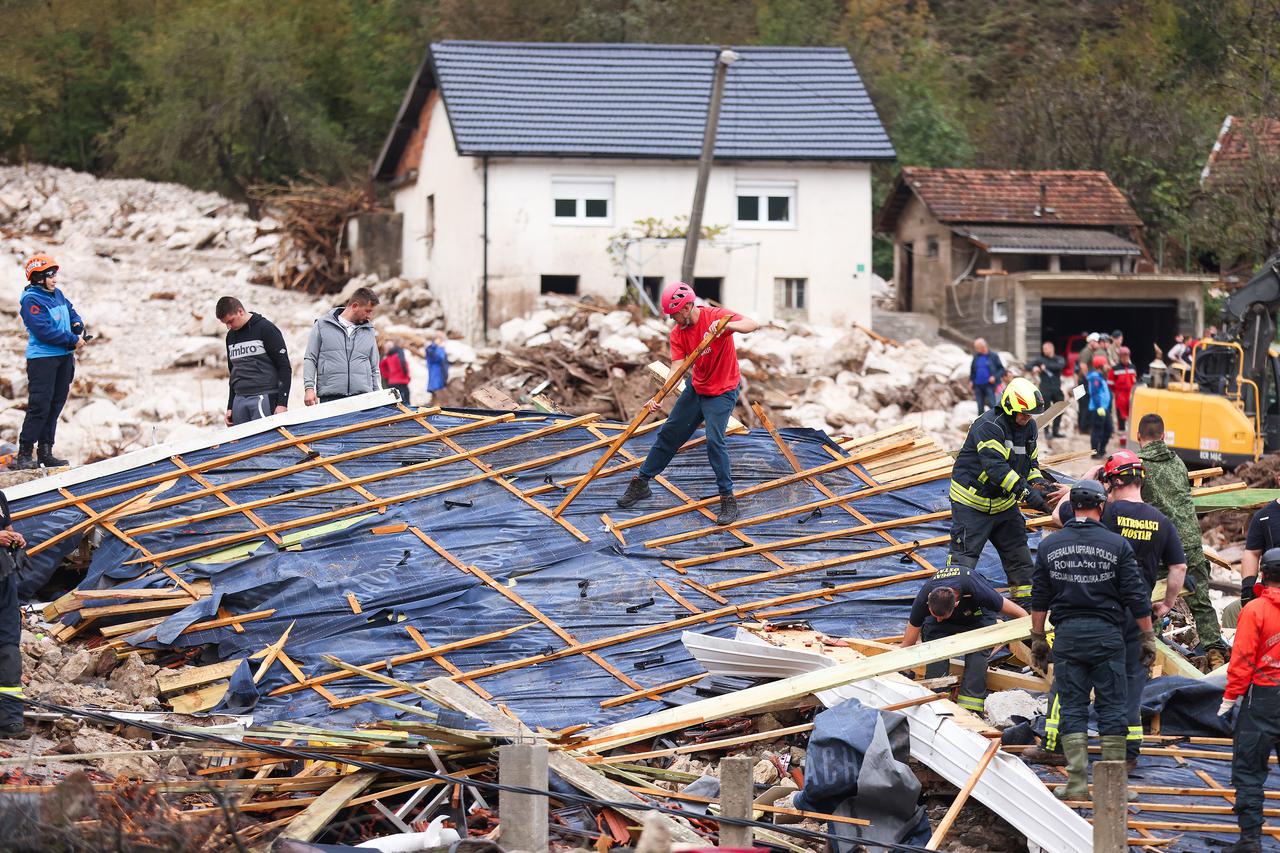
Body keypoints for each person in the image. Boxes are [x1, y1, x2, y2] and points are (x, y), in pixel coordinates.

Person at [1044, 450, 1187, 769]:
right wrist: (1165, 603)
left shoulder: (1103, 511)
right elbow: (1178, 567)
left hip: (1099, 609)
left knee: (1073, 675)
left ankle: (1057, 745)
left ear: (1113, 481)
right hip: (1139, 614)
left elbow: (1057, 517)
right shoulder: (1161, 521)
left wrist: (1087, 479)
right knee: (1132, 680)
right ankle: (1127, 753)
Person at [1029, 478, 1156, 800]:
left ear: (1072, 507)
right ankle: (1113, 786)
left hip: (1068, 637)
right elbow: (1136, 595)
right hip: (1107, 637)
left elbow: (1040, 597)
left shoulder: (1049, 546)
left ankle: (1075, 783)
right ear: (1102, 506)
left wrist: (1038, 638)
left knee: (1072, 707)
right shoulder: (1117, 545)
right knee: (1112, 706)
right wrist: (1147, 636)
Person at [616, 282, 758, 525]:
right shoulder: (678, 334)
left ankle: (727, 499)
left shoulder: (715, 316)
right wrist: (660, 395)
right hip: (697, 387)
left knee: (715, 440)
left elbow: (752, 324)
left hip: (723, 390)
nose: (673, 318)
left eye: (675, 313)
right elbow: (676, 368)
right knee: (669, 433)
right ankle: (642, 483)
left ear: (688, 306)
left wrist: (727, 327)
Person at [946, 376, 1054, 605]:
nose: (1027, 419)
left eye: (1030, 415)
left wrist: (1040, 486)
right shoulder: (989, 426)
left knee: (1020, 559)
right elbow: (996, 469)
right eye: (1024, 414)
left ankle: (1026, 608)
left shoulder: (1029, 427)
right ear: (1009, 407)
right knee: (962, 562)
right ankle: (951, 609)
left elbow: (1031, 465)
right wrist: (1026, 493)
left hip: (1004, 505)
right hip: (972, 505)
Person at [1137, 413, 1229, 669]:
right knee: (1200, 600)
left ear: (1138, 437)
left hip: (1159, 545)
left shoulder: (1139, 466)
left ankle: (1151, 657)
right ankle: (1215, 653)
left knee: (1152, 599)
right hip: (1189, 542)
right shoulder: (1177, 462)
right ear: (1163, 436)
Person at [901, 563, 1027, 714]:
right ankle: (937, 702)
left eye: (941, 617)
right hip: (945, 613)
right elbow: (907, 643)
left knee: (977, 655)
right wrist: (903, 670)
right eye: (935, 615)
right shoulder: (924, 597)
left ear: (956, 602)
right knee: (934, 649)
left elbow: (1021, 614)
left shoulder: (977, 588)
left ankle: (970, 708)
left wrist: (1033, 637)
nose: (938, 620)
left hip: (977, 616)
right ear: (929, 600)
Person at [1218, 547, 1280, 853]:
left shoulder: (1255, 610)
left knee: (1249, 770)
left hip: (1263, 698)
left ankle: (1250, 840)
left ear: (1263, 575)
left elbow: (1241, 660)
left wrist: (1231, 697)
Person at [14, 254, 84, 470]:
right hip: (43, 360)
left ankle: (45, 452)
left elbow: (71, 311)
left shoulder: (57, 294)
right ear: (37, 277)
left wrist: (77, 324)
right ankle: (25, 453)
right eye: (50, 275)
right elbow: (43, 330)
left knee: (55, 405)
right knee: (39, 406)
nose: (55, 279)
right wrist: (72, 339)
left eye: (55, 275)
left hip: (64, 358)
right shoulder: (31, 300)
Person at [216, 297, 291, 426]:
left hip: (263, 398)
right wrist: (230, 406)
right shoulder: (230, 336)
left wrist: (282, 403)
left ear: (240, 311)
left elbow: (284, 367)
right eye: (225, 324)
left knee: (266, 443)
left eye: (230, 321)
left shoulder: (266, 329)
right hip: (239, 401)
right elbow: (233, 373)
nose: (228, 326)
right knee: (242, 444)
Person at [302, 288, 380, 405]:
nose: (370, 316)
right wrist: (309, 388)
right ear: (355, 306)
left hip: (363, 399)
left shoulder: (369, 330)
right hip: (331, 398)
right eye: (368, 311)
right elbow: (310, 358)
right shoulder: (322, 325)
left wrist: (378, 395)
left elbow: (375, 367)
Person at [0, 489, 28, 739]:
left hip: (4, 585)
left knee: (9, 652)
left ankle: (10, 719)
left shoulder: (0, 497)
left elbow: (7, 527)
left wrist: (14, 537)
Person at [1028, 341, 1066, 439]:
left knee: (1060, 408)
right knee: (1046, 411)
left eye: (1045, 348)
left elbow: (1060, 366)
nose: (1043, 351)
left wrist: (1046, 367)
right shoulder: (1040, 360)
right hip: (1045, 388)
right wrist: (1034, 368)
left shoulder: (1058, 359)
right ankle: (1047, 431)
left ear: (1051, 348)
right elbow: (1027, 366)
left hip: (1057, 388)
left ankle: (1056, 431)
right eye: (1043, 349)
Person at [1108, 346, 1138, 446]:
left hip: (1130, 395)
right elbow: (1110, 384)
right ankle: (1122, 441)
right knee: (1121, 418)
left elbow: (1135, 381)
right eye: (1123, 356)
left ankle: (1131, 439)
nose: (1125, 358)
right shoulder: (1115, 369)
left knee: (1131, 417)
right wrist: (1117, 392)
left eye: (1127, 356)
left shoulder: (1132, 367)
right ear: (1120, 357)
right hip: (1120, 396)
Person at [1086, 354, 1113, 459]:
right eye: (1105, 364)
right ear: (1101, 366)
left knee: (1108, 429)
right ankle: (1095, 453)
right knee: (1097, 431)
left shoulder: (1101, 377)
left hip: (1104, 409)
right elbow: (1095, 393)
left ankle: (1101, 450)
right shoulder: (1094, 377)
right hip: (1098, 409)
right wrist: (1099, 407)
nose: (1108, 366)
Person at [969, 338, 1004, 415]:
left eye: (977, 348)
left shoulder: (993, 356)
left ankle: (995, 423)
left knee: (993, 406)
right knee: (980, 408)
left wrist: (994, 377)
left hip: (990, 386)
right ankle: (981, 425)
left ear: (983, 347)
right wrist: (971, 380)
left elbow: (1001, 369)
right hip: (978, 386)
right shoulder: (976, 356)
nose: (976, 350)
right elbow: (972, 370)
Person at [1076, 332, 1101, 433]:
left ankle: (1084, 427)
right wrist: (1089, 379)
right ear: (1092, 342)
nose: (1098, 344)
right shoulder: (1086, 352)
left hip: (1084, 381)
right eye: (1097, 342)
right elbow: (1083, 366)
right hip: (1083, 382)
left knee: (1085, 405)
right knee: (1084, 405)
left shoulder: (1090, 352)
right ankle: (1083, 428)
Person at [379, 339, 412, 405]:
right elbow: (405, 366)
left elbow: (381, 366)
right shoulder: (400, 354)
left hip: (392, 383)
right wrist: (407, 377)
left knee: (396, 405)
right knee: (406, 404)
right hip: (401, 382)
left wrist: (388, 376)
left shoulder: (387, 357)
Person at [425, 331, 449, 402]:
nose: (441, 341)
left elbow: (444, 361)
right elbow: (438, 357)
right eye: (440, 338)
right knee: (436, 393)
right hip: (435, 375)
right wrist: (435, 345)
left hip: (442, 374)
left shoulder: (441, 348)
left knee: (440, 395)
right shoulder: (431, 349)